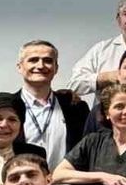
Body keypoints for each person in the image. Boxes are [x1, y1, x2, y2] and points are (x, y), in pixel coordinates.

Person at [15, 40, 88, 170]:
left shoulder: (76, 108)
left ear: (56, 68)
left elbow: (88, 151)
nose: (40, 65)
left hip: (66, 181)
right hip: (22, 180)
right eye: (33, 60)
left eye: (48, 60)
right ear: (19, 67)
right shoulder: (7, 108)